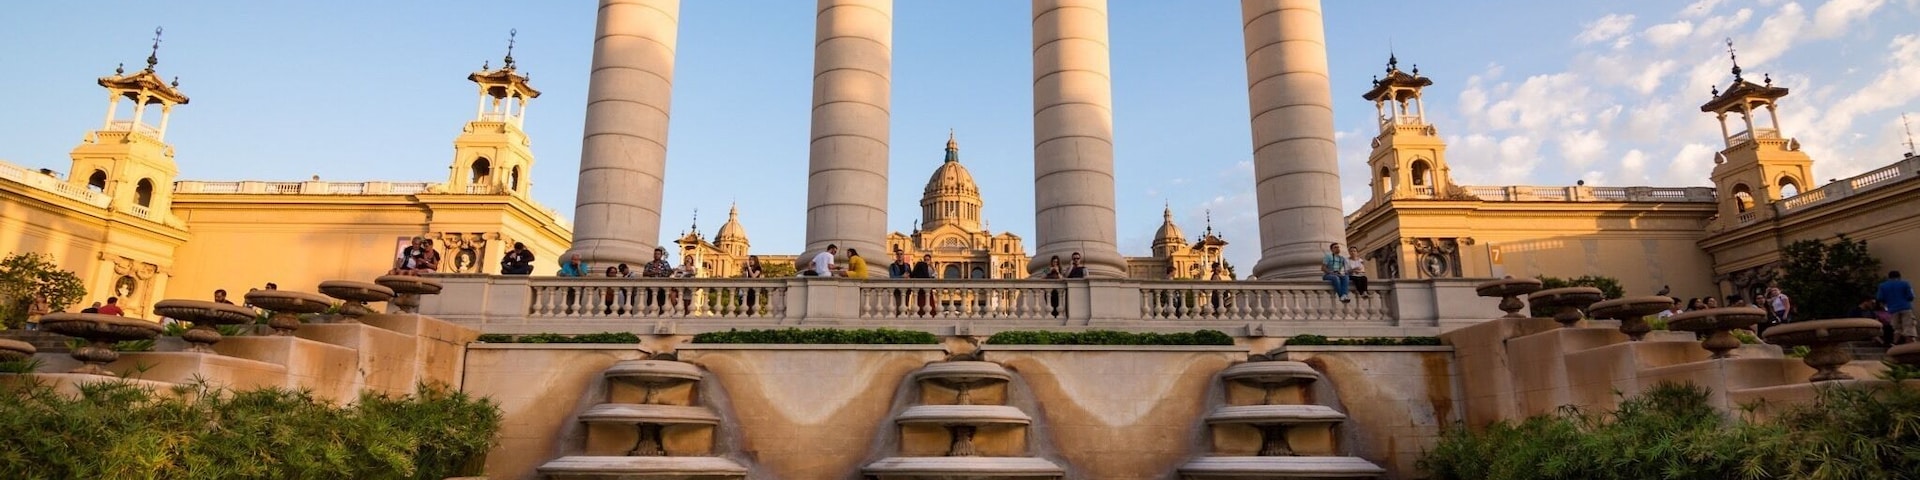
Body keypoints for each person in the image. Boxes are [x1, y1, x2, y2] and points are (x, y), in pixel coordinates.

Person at [1879, 271, 1916, 345]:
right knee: (1908, 326)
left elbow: (1880, 298)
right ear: (1899, 277)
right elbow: (1911, 296)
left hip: (1892, 309)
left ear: (1889, 277)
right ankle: (1909, 344)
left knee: (1896, 327)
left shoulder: (1883, 285)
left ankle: (1895, 343)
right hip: (1905, 307)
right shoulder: (1905, 283)